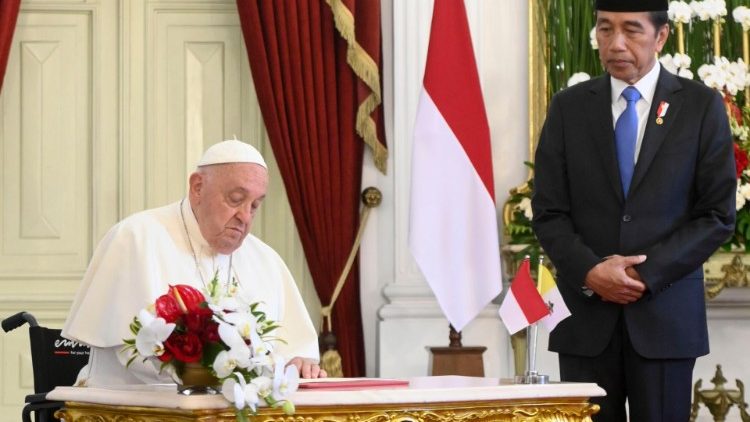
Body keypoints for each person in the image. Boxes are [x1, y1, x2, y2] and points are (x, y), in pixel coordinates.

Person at [531, 0, 736, 420]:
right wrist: (591, 272)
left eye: (631, 30)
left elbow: (716, 215)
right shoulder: (569, 107)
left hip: (665, 321)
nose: (616, 43)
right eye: (605, 29)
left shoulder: (699, 107)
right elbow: (549, 212)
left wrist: (646, 273)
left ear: (660, 36)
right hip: (586, 325)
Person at [62, 139, 326, 385]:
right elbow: (128, 351)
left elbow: (295, 351)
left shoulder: (266, 260)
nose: (245, 217)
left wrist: (300, 363)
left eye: (255, 205)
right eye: (236, 200)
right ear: (198, 187)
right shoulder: (135, 237)